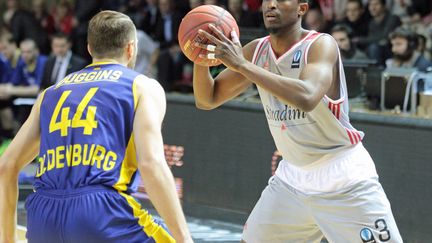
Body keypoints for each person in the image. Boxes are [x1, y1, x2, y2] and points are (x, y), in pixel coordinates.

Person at [192, 0, 403, 242]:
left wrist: (241, 65)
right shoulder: (256, 51)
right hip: (291, 180)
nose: (271, 5)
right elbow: (207, 99)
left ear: (302, 8)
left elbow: (307, 96)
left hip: (343, 178)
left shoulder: (321, 45)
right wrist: (201, 57)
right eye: (266, 1)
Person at [0, 10, 192, 243]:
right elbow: (151, 163)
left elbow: (7, 166)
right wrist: (184, 238)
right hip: (100, 211)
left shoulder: (50, 94)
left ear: (89, 48)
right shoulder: (142, 86)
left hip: (43, 214)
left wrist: (8, 239)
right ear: (131, 48)